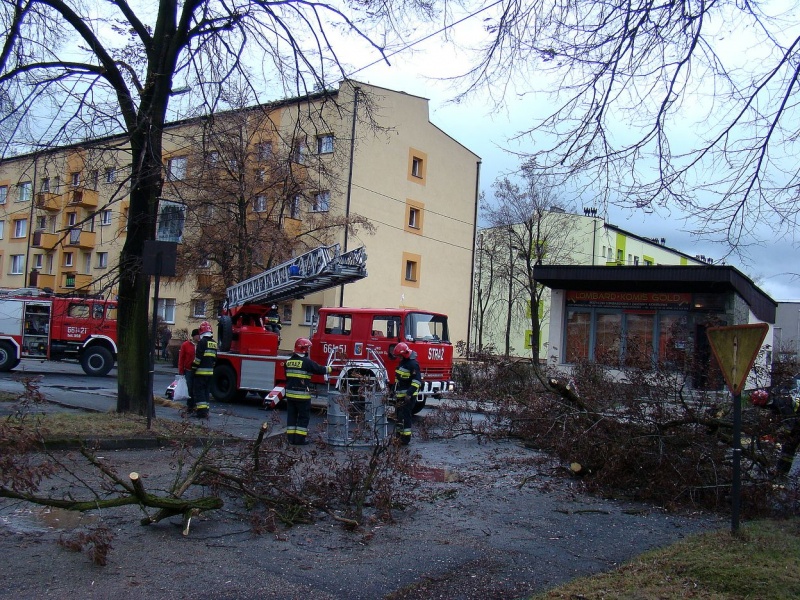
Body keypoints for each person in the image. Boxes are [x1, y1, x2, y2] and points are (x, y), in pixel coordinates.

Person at [284, 337, 331, 445]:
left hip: (290, 396)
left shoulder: (288, 362)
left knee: (291, 416)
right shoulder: (306, 362)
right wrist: (332, 369)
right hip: (302, 396)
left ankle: (291, 439)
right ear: (304, 349)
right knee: (303, 417)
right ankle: (300, 439)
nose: (309, 350)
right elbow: (319, 369)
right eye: (308, 348)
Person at [393, 342, 421, 445]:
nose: (398, 358)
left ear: (404, 353)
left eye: (399, 355)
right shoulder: (403, 363)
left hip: (408, 397)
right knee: (399, 416)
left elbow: (417, 381)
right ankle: (398, 437)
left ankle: (405, 439)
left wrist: (409, 394)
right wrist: (393, 390)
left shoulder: (413, 364)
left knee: (406, 416)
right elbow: (399, 379)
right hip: (400, 396)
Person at [191, 321, 217, 419]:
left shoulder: (202, 342)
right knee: (206, 392)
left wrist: (193, 368)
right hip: (210, 373)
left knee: (199, 392)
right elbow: (215, 359)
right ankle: (206, 411)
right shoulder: (214, 343)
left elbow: (198, 359)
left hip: (200, 373)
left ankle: (201, 413)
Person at [178, 329, 200, 411]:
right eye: (198, 335)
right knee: (189, 388)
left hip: (198, 370)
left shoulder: (201, 344)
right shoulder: (186, 345)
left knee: (196, 388)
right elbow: (182, 358)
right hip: (189, 369)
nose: (199, 337)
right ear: (194, 336)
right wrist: (181, 370)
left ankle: (195, 405)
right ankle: (190, 405)